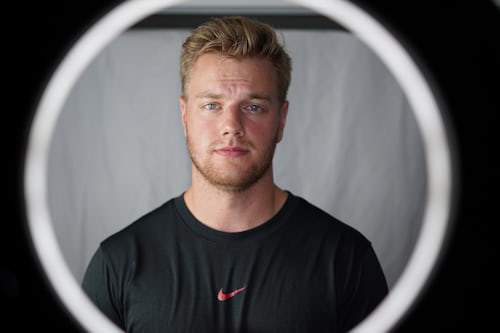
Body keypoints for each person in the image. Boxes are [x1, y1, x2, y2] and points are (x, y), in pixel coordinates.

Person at [82, 16, 388, 332]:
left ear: (281, 120)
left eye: (253, 107)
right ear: (185, 116)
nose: (232, 125)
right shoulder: (118, 262)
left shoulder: (346, 259)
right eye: (212, 105)